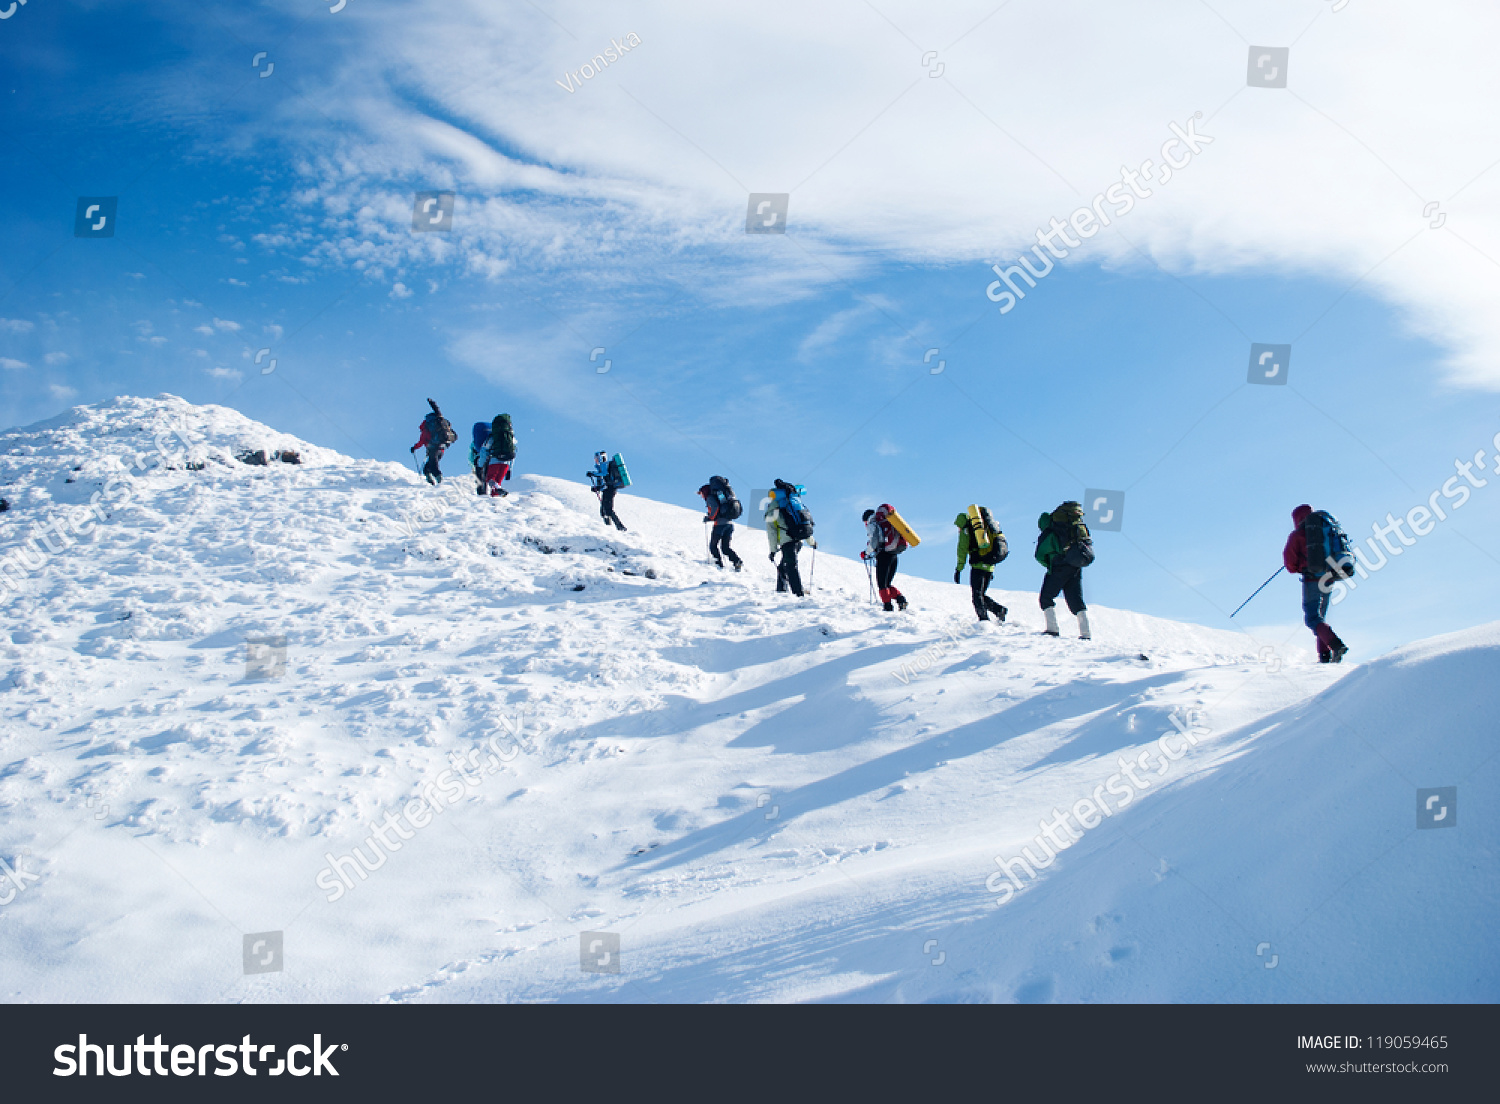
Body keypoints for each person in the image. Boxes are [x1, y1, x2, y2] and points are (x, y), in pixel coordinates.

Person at [1283, 503, 1349, 663]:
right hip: (1330, 576)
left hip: (1312, 578)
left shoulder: (1297, 534)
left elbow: (1290, 564)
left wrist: (1300, 566)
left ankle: (1335, 645)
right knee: (1321, 617)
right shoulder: (1327, 527)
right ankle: (1324, 656)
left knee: (1312, 618)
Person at [1034, 501, 1093, 640]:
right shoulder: (1073, 526)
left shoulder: (1051, 531)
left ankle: (1052, 629)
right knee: (1076, 599)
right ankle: (1086, 633)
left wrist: (1049, 564)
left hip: (1059, 566)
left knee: (1046, 597)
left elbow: (1040, 554)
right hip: (1075, 565)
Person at [953, 511, 1007, 622]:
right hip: (990, 566)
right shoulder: (981, 528)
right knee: (980, 594)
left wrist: (958, 569)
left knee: (976, 596)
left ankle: (984, 621)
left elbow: (962, 550)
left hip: (978, 566)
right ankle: (999, 610)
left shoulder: (966, 530)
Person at [765, 481, 815, 597]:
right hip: (799, 540)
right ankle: (781, 591)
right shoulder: (794, 504)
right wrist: (811, 542)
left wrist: (773, 550)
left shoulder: (773, 509)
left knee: (790, 566)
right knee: (784, 566)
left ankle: (798, 594)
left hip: (787, 541)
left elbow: (771, 532)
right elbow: (803, 523)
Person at [862, 507, 908, 612]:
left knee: (882, 584)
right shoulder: (885, 521)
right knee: (887, 583)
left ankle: (887, 607)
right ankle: (901, 600)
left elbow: (874, 541)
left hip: (883, 556)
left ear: (866, 519)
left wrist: (866, 552)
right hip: (894, 554)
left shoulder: (872, 524)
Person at [699, 479, 742, 570]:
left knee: (713, 546)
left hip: (720, 525)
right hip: (729, 524)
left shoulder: (710, 497)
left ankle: (718, 565)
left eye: (701, 493)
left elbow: (715, 507)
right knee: (725, 548)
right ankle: (737, 561)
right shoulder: (723, 496)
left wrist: (709, 518)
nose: (701, 496)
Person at [409, 399, 454, 486]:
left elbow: (421, 441)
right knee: (427, 468)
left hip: (434, 448)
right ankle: (432, 485)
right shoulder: (440, 424)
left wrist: (414, 448)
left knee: (433, 467)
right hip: (442, 449)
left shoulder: (426, 428)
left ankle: (441, 483)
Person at [478, 413, 516, 498]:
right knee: (498, 481)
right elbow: (513, 452)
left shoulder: (492, 437)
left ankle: (497, 489)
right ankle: (495, 498)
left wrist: (480, 465)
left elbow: (484, 451)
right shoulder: (511, 438)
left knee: (491, 480)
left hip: (494, 461)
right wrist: (510, 469)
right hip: (506, 463)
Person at [588, 451, 627, 531]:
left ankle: (620, 527)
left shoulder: (604, 464)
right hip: (607, 489)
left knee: (608, 509)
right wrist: (597, 488)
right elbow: (603, 481)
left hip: (610, 489)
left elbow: (604, 474)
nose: (596, 460)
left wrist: (592, 473)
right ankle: (608, 528)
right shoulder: (600, 467)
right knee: (603, 511)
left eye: (597, 458)